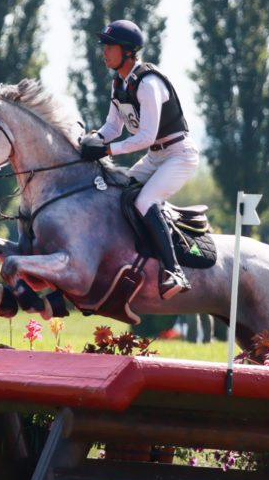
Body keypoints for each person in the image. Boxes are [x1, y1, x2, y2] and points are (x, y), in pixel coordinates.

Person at [79, 19, 200, 299]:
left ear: (128, 51)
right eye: (104, 46)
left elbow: (146, 135)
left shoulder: (148, 84)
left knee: (144, 200)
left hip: (179, 155)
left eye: (110, 47)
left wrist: (107, 151)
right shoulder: (119, 83)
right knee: (117, 192)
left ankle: (175, 272)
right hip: (155, 156)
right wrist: (92, 139)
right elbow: (113, 127)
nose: (104, 51)